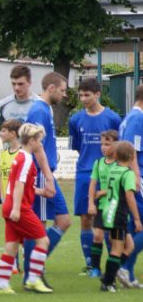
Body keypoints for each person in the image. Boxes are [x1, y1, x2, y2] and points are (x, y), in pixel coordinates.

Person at [22, 72, 71, 287]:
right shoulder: (39, 110)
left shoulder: (45, 108)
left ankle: (34, 268)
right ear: (51, 88)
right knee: (38, 227)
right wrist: (48, 178)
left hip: (46, 172)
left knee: (63, 220)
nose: (64, 94)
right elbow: (36, 146)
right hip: (40, 173)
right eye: (62, 90)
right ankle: (32, 274)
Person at [69, 77, 122, 273]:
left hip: (108, 175)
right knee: (85, 219)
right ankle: (91, 264)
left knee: (109, 219)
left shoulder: (113, 118)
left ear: (97, 94)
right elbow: (76, 147)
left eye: (87, 95)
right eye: (81, 95)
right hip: (84, 173)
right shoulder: (75, 120)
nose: (83, 99)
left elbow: (120, 147)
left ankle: (112, 264)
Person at [0, 123, 52, 294]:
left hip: (9, 205)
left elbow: (23, 185)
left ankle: (2, 285)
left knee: (11, 247)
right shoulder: (26, 158)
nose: (40, 145)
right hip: (18, 207)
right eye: (39, 141)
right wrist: (17, 209)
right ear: (32, 140)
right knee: (43, 240)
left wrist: (41, 191)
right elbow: (19, 184)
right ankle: (34, 279)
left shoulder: (19, 156)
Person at [99, 141, 143, 292]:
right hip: (117, 214)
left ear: (116, 155)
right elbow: (130, 197)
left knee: (129, 245)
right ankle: (107, 283)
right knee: (117, 249)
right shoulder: (128, 174)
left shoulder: (114, 169)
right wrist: (137, 219)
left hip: (109, 211)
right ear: (132, 157)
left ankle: (111, 273)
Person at [118, 84, 143, 287]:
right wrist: (135, 176)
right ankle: (122, 265)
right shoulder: (137, 118)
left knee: (134, 227)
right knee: (138, 225)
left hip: (135, 176)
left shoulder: (129, 117)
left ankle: (129, 273)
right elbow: (131, 150)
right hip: (138, 177)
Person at [87, 130, 118, 278]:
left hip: (116, 207)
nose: (104, 147)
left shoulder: (120, 164)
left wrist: (103, 192)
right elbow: (92, 185)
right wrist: (91, 204)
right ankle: (95, 269)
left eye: (107, 144)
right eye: (102, 144)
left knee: (115, 240)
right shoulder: (98, 163)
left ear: (116, 145)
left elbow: (121, 185)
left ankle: (116, 269)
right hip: (101, 207)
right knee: (97, 236)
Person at [0, 119, 23, 204]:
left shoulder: (22, 153)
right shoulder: (3, 153)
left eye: (3, 131)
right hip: (6, 201)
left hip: (19, 201)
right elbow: (2, 176)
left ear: (13, 134)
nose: (0, 134)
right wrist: (2, 197)